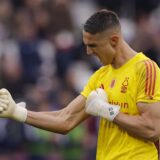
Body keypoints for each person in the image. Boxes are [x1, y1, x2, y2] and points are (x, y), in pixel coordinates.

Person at [0, 9, 160, 160]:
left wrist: (109, 111)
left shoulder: (145, 69)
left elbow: (152, 129)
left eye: (93, 45)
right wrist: (18, 112)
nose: (89, 52)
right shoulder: (100, 76)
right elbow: (66, 119)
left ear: (114, 40)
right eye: (86, 45)